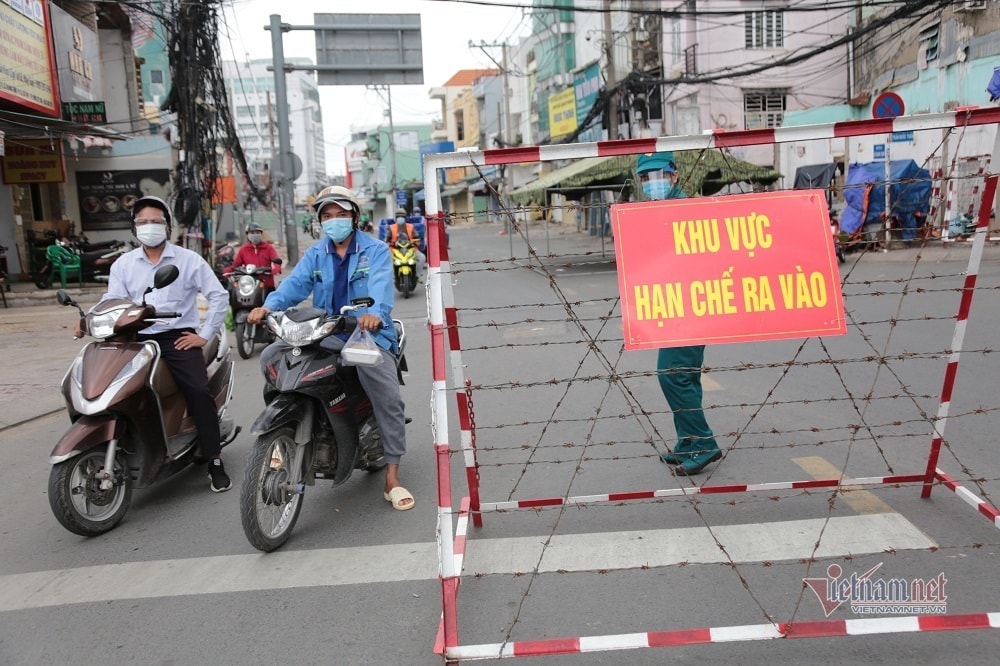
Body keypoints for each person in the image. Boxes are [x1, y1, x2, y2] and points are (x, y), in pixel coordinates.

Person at [247, 186, 414, 510]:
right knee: (272, 357)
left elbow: (381, 290)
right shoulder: (316, 253)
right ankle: (288, 427)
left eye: (341, 215)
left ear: (353, 217)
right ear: (320, 221)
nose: (334, 221)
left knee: (382, 385)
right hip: (322, 331)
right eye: (328, 216)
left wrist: (374, 315)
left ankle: (392, 474)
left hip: (365, 333)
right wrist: (268, 307)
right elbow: (294, 286)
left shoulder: (375, 250)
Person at [75, 195, 232, 491]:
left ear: (168, 227)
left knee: (198, 390)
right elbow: (112, 300)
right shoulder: (123, 264)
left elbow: (218, 297)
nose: (150, 227)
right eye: (143, 222)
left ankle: (213, 458)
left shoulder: (188, 260)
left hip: (175, 337)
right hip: (133, 337)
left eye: (156, 222)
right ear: (135, 228)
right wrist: (88, 320)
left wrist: (204, 334)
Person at [636, 151, 722, 476]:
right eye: (646, 178)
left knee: (672, 374)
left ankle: (704, 442)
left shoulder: (683, 211)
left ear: (674, 175)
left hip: (690, 305)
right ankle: (688, 441)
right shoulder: (658, 211)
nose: (652, 183)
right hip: (672, 305)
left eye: (659, 175)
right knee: (685, 374)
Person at [223, 222, 282, 291]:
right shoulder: (244, 249)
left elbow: (276, 260)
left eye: (257, 233)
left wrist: (276, 268)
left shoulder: (268, 248)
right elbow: (236, 264)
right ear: (247, 235)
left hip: (266, 284)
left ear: (261, 234)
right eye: (252, 233)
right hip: (249, 285)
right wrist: (227, 271)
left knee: (272, 298)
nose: (255, 235)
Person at [386, 209, 426, 277]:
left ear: (405, 218)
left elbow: (417, 238)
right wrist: (389, 244)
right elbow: (387, 240)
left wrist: (417, 242)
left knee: (422, 258)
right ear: (396, 218)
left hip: (411, 249)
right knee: (387, 261)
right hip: (394, 250)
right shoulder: (391, 227)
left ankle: (417, 276)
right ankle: (392, 277)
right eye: (398, 217)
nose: (400, 218)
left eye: (402, 217)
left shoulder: (411, 226)